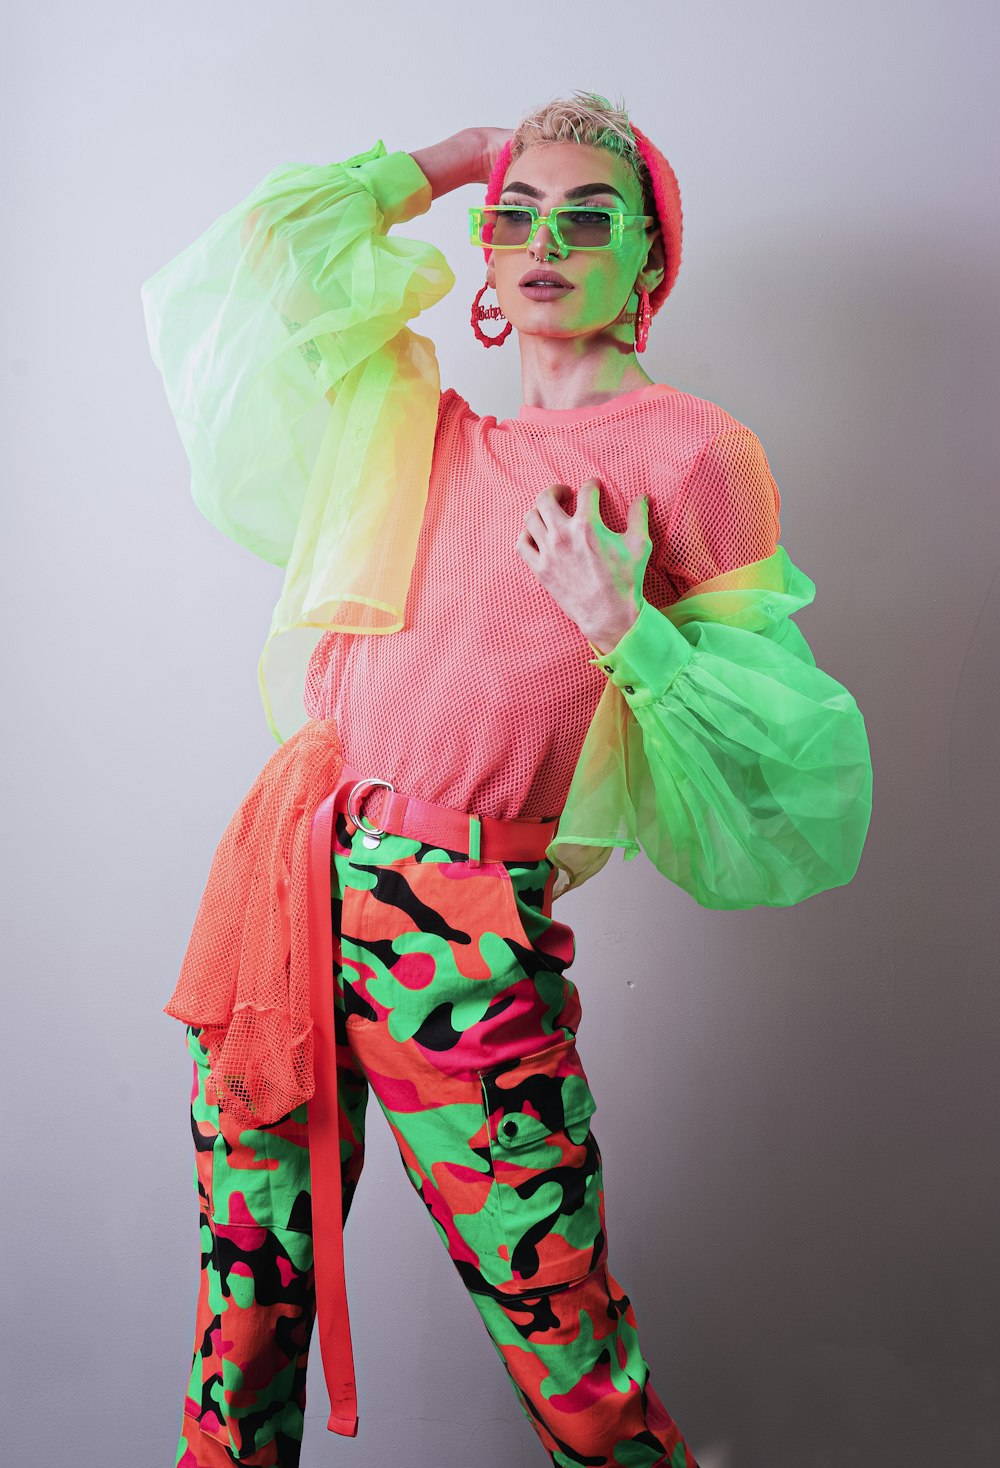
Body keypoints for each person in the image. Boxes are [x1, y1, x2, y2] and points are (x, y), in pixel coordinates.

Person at [141, 91, 873, 1468]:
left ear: (650, 257)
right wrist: (446, 162)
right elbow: (260, 260)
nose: (544, 239)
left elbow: (789, 772)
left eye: (587, 215)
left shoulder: (694, 457)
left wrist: (624, 622)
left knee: (565, 1338)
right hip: (284, 886)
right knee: (243, 1313)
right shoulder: (418, 429)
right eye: (515, 216)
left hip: (458, 929)